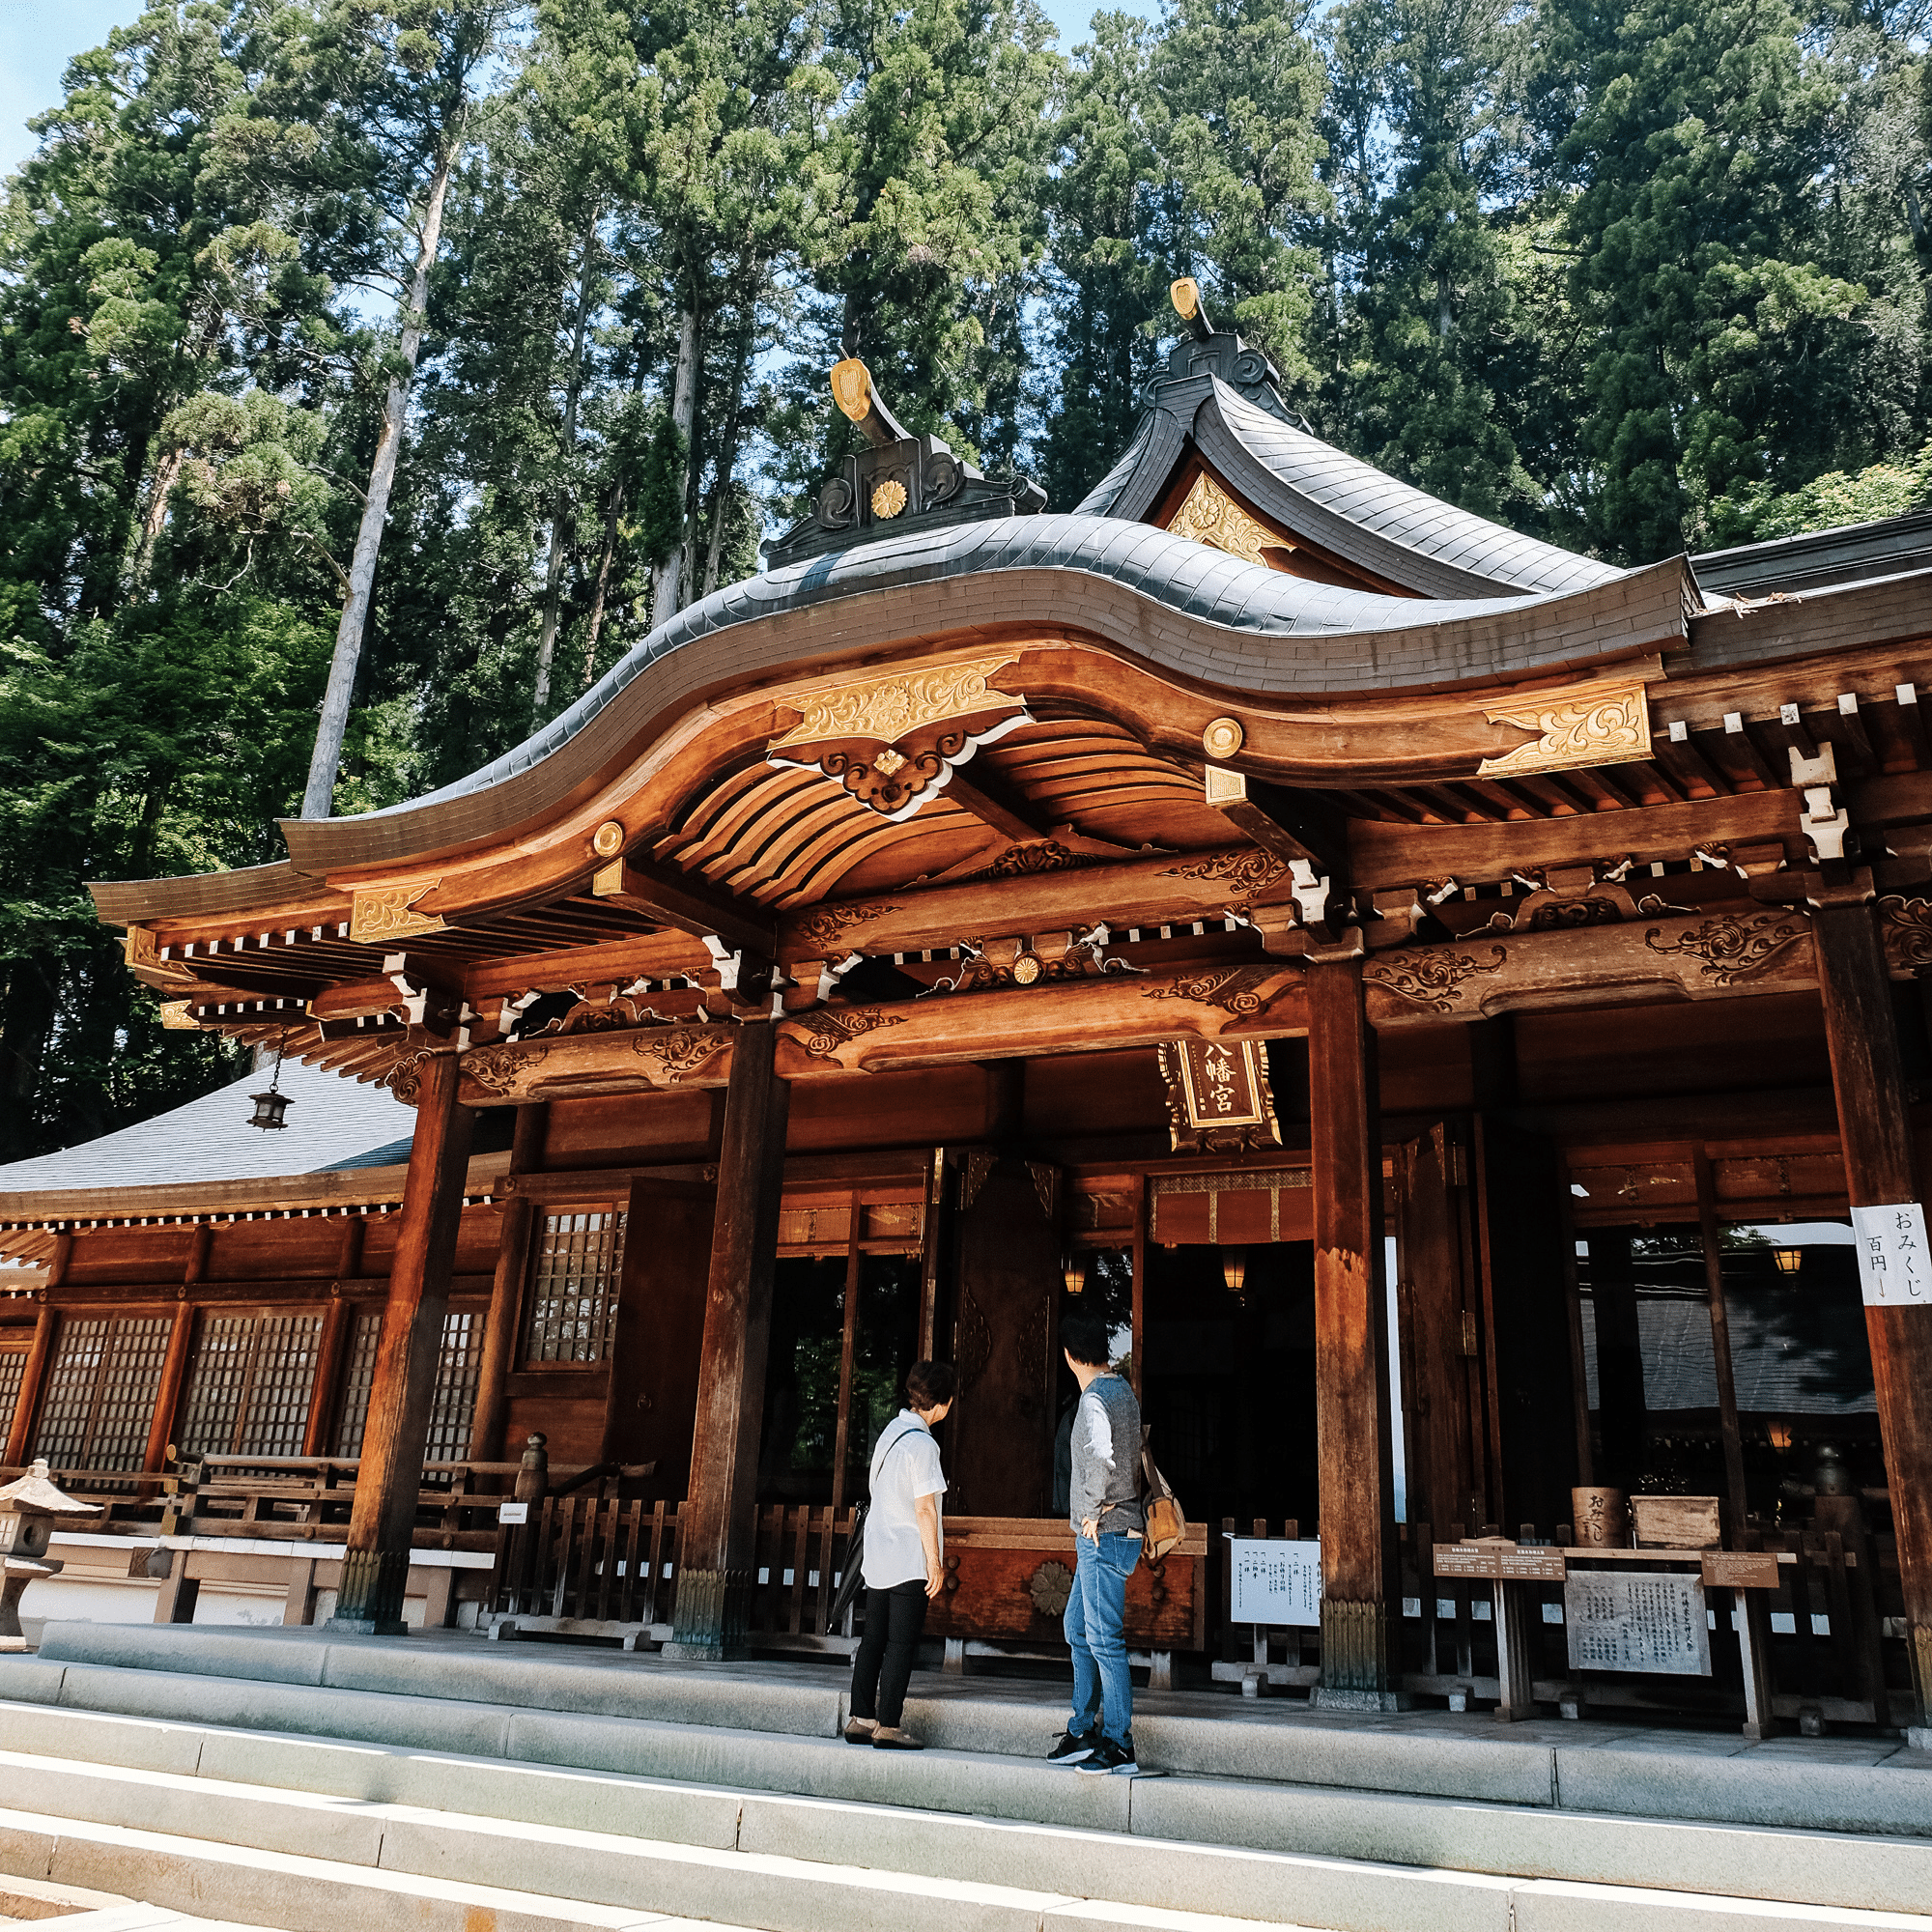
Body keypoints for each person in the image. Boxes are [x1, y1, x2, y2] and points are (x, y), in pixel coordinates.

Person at [1048, 1311, 1143, 1775]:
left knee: (1103, 1637)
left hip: (1103, 1533)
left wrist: (1087, 1511)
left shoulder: (1091, 1401)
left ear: (1069, 1355)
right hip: (1118, 1532)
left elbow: (1102, 1457)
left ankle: (1118, 1742)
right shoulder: (1122, 1390)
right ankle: (1084, 1727)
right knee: (1078, 1630)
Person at [845, 1359, 956, 1749]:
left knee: (874, 1636)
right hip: (909, 1554)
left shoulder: (890, 1433)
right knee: (901, 1642)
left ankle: (861, 1718)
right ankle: (889, 1725)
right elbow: (925, 1509)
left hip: (878, 1551)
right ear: (941, 1404)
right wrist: (935, 1562)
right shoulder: (924, 1445)